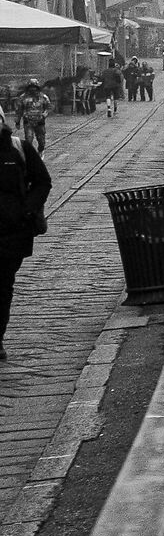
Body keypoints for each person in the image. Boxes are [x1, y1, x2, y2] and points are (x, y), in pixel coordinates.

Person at [0, 103, 52, 357]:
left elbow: (42, 181)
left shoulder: (18, 149)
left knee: (2, 286)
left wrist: (28, 210)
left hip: (11, 231)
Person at [16, 81, 50, 152]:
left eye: (34, 87)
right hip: (28, 122)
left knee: (41, 141)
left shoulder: (43, 97)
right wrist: (18, 121)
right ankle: (30, 156)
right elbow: (19, 110)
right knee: (29, 139)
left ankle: (41, 151)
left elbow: (48, 108)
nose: (33, 89)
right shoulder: (23, 98)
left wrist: (44, 115)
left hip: (40, 122)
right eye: (31, 87)